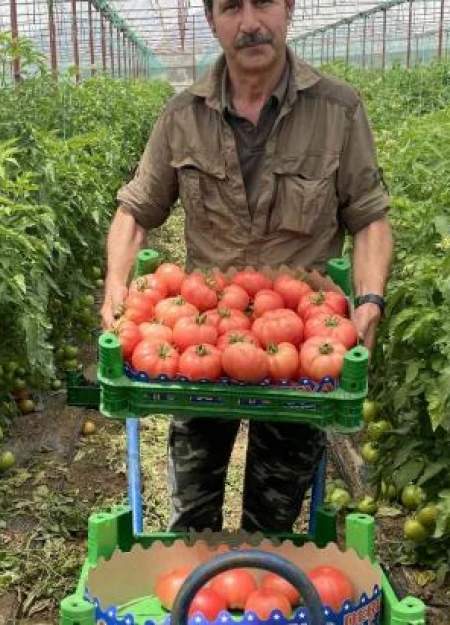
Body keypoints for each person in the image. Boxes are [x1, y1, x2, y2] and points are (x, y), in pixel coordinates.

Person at [99, 0, 394, 534]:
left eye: (264, 3)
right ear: (212, 21)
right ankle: (197, 598)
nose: (250, 21)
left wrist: (370, 300)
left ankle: (265, 586)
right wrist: (115, 286)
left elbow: (370, 219)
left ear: (289, 10)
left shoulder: (339, 111)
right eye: (232, 7)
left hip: (303, 346)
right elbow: (136, 210)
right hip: (202, 339)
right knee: (191, 511)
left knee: (276, 515)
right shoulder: (181, 117)